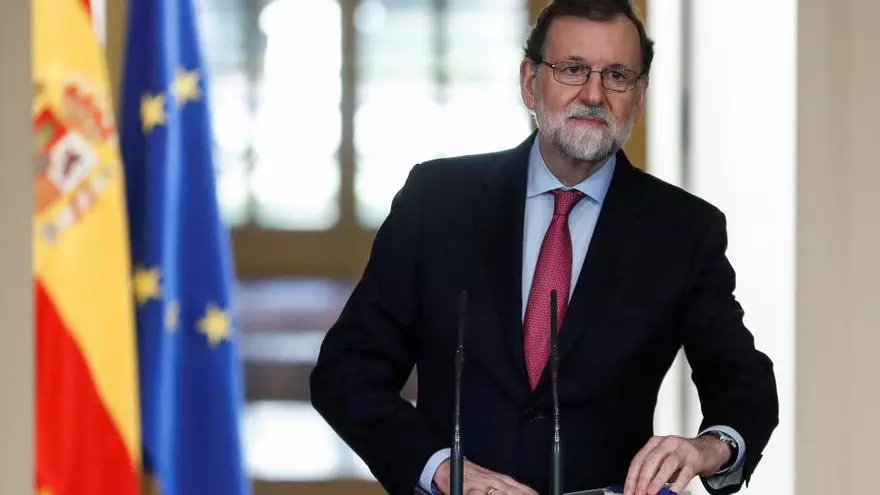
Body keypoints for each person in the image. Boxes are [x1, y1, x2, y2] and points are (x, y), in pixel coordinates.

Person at [310, 1, 779, 494]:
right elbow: (348, 371)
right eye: (572, 69)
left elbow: (743, 383)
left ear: (639, 97)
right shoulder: (438, 201)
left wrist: (710, 447)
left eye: (617, 76)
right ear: (530, 82)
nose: (594, 94)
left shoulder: (683, 230)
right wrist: (442, 469)